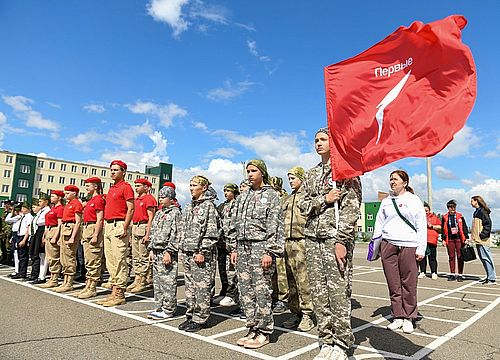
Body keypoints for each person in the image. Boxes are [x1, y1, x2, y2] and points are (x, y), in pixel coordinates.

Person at [299, 128, 362, 360]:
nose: (318, 143)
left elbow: (351, 209)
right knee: (319, 293)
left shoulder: (346, 172)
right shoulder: (311, 174)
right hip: (313, 240)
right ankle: (325, 340)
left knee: (338, 293)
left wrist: (342, 241)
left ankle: (342, 343)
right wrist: (324, 199)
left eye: (323, 139)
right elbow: (303, 206)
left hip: (334, 239)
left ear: (334, 142)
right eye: (315, 140)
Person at [228, 160, 284, 349]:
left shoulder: (271, 196)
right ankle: (252, 327)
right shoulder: (243, 196)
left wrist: (270, 251)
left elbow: (275, 225)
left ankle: (265, 331)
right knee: (246, 291)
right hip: (242, 248)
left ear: (263, 173)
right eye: (248, 171)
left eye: (254, 171)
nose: (250, 174)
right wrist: (234, 248)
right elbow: (235, 223)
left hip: (261, 248)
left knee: (262, 291)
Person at [373, 170, 426, 335]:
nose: (392, 182)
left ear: (405, 182)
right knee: (393, 283)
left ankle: (409, 317)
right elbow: (378, 224)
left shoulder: (413, 200)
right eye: (390, 179)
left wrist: (421, 248)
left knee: (409, 283)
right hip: (388, 245)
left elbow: (421, 224)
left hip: (409, 245)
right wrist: (376, 248)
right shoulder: (386, 201)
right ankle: (398, 315)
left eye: (395, 179)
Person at [178, 175, 220, 333]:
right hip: (188, 252)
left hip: (201, 253)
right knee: (190, 287)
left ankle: (200, 318)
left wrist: (202, 250)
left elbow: (211, 232)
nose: (191, 188)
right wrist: (182, 250)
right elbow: (183, 229)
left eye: (194, 185)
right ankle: (191, 314)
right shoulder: (189, 206)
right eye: (190, 185)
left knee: (202, 287)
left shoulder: (208, 206)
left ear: (204, 188)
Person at [281, 166, 315, 332]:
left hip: (302, 241)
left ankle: (308, 313)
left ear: (302, 178)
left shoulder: (307, 198)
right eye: (289, 178)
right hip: (287, 242)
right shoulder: (287, 199)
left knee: (303, 279)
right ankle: (296, 312)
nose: (290, 181)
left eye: (293, 178)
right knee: (291, 280)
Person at [97, 160, 134, 307]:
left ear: (123, 172)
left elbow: (131, 208)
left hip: (119, 224)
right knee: (111, 260)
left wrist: (125, 227)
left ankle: (120, 293)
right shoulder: (112, 188)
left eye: (116, 170)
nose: (112, 172)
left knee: (119, 259)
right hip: (109, 225)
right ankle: (114, 291)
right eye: (111, 170)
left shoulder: (126, 188)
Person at [147, 185, 182, 320]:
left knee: (168, 281)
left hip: (167, 251)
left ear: (171, 199)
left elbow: (176, 234)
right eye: (160, 197)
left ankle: (169, 309)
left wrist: (169, 251)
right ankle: (159, 306)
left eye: (163, 197)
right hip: (156, 251)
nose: (160, 199)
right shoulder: (159, 213)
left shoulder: (175, 213)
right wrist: (151, 249)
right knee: (158, 281)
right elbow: (154, 232)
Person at [75, 177, 106, 299]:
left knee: (93, 260)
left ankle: (92, 287)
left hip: (93, 229)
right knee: (88, 261)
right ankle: (88, 285)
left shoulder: (98, 200)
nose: (86, 188)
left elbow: (100, 218)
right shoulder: (91, 200)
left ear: (96, 186)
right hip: (87, 229)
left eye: (89, 185)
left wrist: (95, 234)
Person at [127, 178, 157, 293]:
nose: (136, 188)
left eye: (139, 185)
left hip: (143, 227)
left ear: (146, 187)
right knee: (135, 255)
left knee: (143, 256)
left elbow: (151, 218)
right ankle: (137, 278)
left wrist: (148, 234)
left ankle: (143, 280)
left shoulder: (149, 199)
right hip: (135, 226)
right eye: (136, 185)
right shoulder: (136, 199)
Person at [53, 185, 83, 293]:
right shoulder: (68, 204)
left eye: (68, 193)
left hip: (70, 229)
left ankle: (69, 282)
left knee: (69, 257)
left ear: (74, 193)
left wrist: (73, 237)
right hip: (65, 229)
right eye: (65, 193)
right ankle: (65, 281)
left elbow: (78, 222)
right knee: (63, 257)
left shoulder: (77, 204)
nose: (65, 195)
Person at [214, 183, 240, 307]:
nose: (226, 193)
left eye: (228, 190)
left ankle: (232, 294)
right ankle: (224, 291)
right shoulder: (222, 206)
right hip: (222, 242)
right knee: (222, 269)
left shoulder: (238, 205)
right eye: (224, 190)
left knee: (232, 271)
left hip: (232, 243)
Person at [269, 175, 289, 315]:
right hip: (271, 240)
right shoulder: (269, 198)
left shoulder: (284, 199)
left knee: (282, 273)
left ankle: (283, 299)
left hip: (282, 239)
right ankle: (274, 297)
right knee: (272, 273)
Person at [39, 190, 65, 288]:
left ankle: (54, 278)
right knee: (49, 257)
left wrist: (55, 237)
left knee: (54, 256)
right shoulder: (52, 209)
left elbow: (59, 224)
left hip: (54, 230)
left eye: (53, 196)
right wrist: (44, 236)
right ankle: (51, 277)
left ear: (59, 198)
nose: (51, 198)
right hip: (48, 231)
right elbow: (46, 224)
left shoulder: (60, 209)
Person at [470, 196, 496, 285]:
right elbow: (475, 227)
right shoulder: (476, 212)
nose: (470, 202)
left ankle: (492, 278)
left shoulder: (482, 211)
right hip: (478, 240)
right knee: (483, 258)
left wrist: (482, 235)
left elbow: (488, 224)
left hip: (483, 240)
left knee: (487, 258)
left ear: (476, 201)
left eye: (472, 201)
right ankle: (489, 276)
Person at [442, 200, 469, 282]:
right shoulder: (445, 217)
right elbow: (443, 229)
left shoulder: (460, 216)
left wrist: (466, 238)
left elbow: (464, 228)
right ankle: (452, 274)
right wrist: (443, 239)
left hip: (459, 239)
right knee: (451, 257)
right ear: (448, 208)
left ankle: (460, 274)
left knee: (460, 256)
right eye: (451, 207)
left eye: (454, 207)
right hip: (450, 239)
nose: (453, 209)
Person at [27, 194, 50, 284]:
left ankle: (42, 276)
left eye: (41, 201)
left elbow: (44, 222)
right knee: (40, 255)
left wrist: (44, 236)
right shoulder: (42, 211)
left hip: (43, 229)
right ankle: (40, 275)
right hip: (38, 230)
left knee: (43, 255)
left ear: (46, 202)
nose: (39, 203)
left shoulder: (47, 210)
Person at [418, 202, 441, 280]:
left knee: (432, 258)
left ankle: (434, 272)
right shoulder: (419, 217)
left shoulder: (434, 217)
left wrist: (432, 226)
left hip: (431, 240)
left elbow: (440, 227)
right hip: (422, 240)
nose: (425, 212)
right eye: (424, 210)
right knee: (422, 257)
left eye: (426, 210)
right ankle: (422, 272)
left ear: (429, 210)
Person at [12, 202, 34, 280]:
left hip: (24, 236)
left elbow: (28, 229)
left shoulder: (29, 217)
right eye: (22, 208)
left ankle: (22, 273)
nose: (22, 210)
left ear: (29, 209)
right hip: (19, 235)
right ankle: (20, 272)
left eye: (24, 208)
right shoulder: (23, 216)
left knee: (23, 256)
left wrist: (24, 240)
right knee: (20, 255)